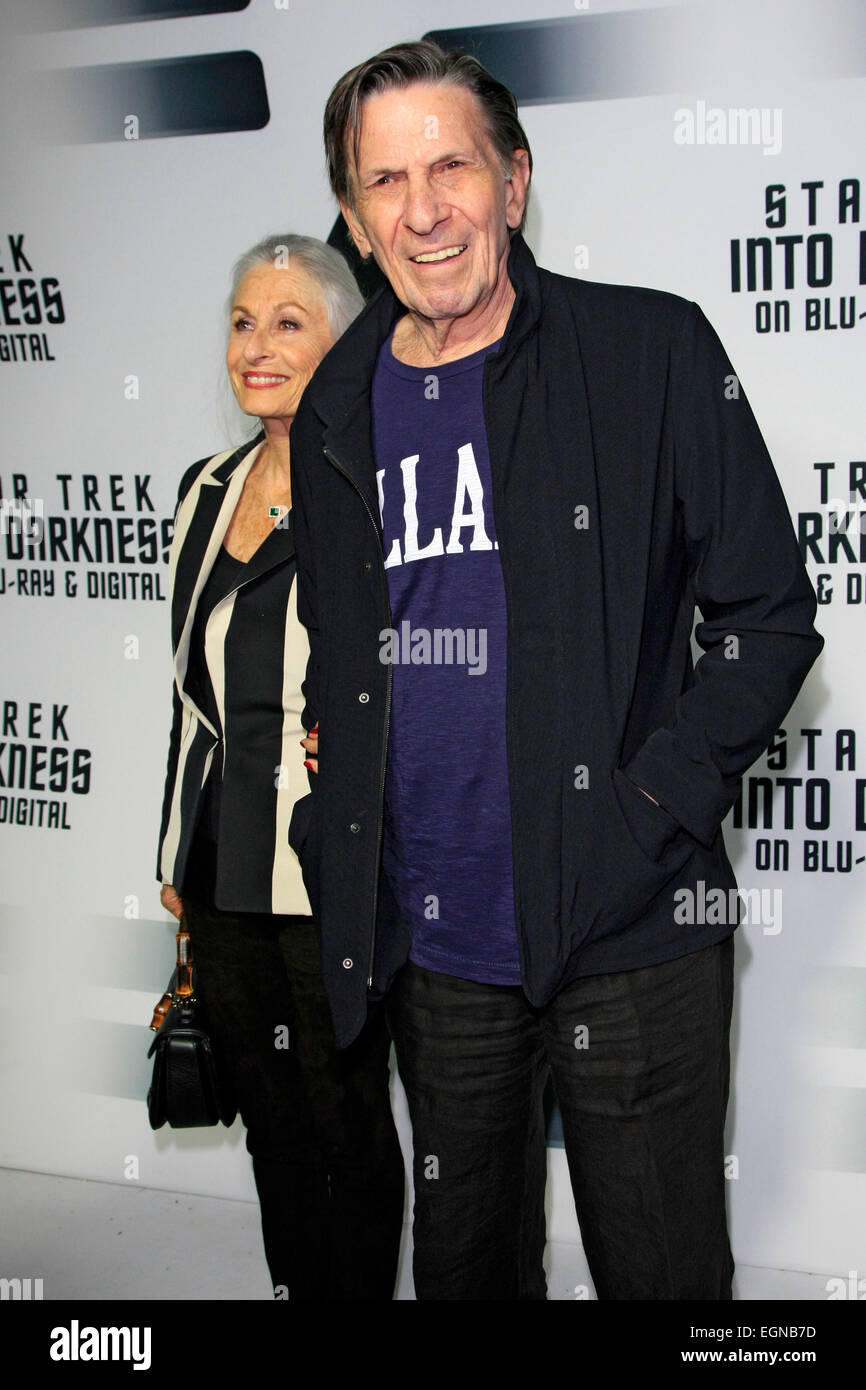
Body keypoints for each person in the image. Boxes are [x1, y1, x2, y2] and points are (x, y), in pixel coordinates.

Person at [288, 42, 823, 1301]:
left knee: (663, 1279)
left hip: (628, 935)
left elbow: (767, 619)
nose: (421, 210)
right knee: (466, 1275)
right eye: (383, 182)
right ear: (357, 221)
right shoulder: (333, 411)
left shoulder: (648, 355)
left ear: (513, 182)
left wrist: (643, 815)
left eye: (449, 167)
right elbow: (342, 653)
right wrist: (335, 821)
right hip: (437, 954)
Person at [156, 234, 405, 1301]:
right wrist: (174, 850)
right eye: (242, 322)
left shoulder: (381, 486)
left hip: (335, 869)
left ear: (345, 341)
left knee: (347, 1118)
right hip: (225, 869)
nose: (256, 347)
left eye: (288, 322)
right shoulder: (204, 492)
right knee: (270, 1117)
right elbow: (183, 700)